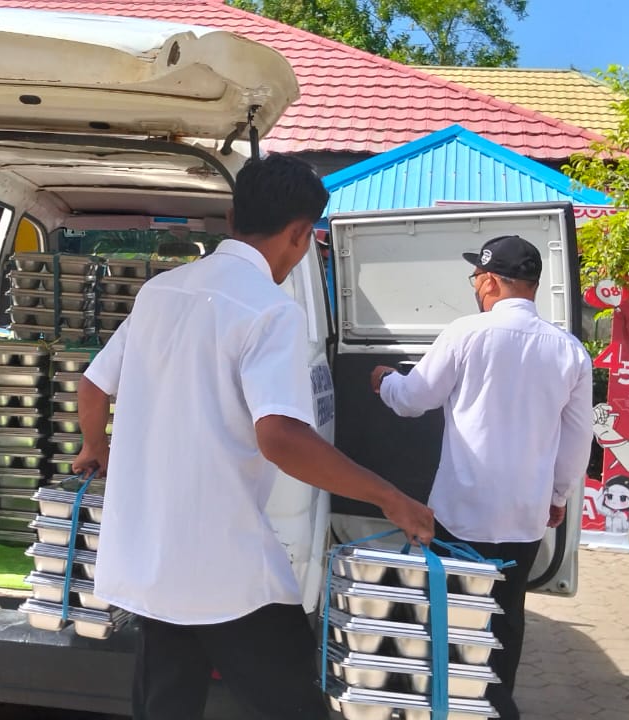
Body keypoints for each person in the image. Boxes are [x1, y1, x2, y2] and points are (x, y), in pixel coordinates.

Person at [71, 154, 435, 720]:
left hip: (150, 559)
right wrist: (390, 496)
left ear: (232, 214)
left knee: (166, 704)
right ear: (298, 234)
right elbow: (282, 438)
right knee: (292, 704)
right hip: (223, 566)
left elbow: (92, 389)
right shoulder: (271, 310)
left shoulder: (160, 293)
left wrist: (96, 448)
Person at [370, 234, 594, 720]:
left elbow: (413, 400)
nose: (474, 285)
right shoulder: (570, 350)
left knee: (451, 618)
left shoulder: (466, 333)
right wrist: (557, 495)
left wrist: (385, 380)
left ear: (490, 280)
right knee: (506, 619)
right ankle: (495, 706)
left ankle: (448, 706)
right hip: (525, 516)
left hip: (460, 513)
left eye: (476, 277)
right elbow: (578, 439)